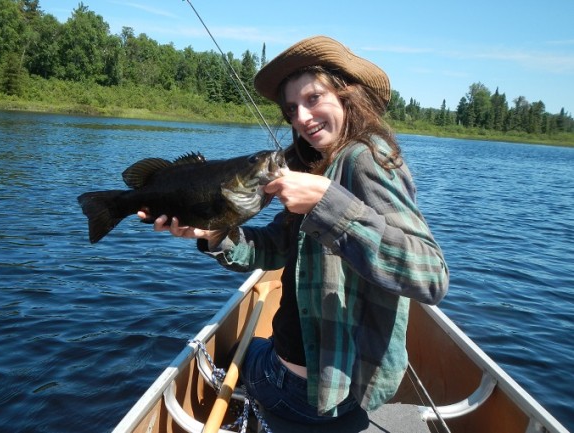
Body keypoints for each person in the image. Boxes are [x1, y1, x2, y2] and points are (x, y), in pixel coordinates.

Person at [139, 35, 449, 424]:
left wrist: (328, 204)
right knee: (255, 348)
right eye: (291, 109)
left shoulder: (364, 160)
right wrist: (216, 236)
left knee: (243, 348)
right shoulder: (320, 162)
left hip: (302, 387)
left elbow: (431, 277)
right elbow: (274, 249)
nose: (301, 117)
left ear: (346, 95)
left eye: (313, 98)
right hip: (333, 385)